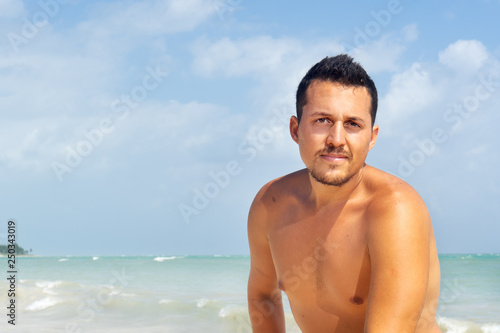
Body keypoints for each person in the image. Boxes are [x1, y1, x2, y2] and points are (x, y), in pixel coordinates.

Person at [247, 54, 441, 332]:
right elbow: (262, 296)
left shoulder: (394, 209)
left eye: (353, 124)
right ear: (295, 129)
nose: (336, 140)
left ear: (372, 137)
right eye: (323, 120)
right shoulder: (271, 203)